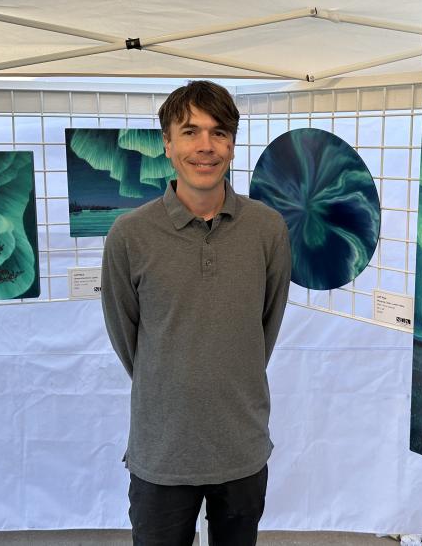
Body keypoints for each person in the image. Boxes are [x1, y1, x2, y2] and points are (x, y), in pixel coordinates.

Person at [101, 80, 292, 546]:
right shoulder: (129, 236)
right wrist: (172, 378)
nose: (205, 146)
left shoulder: (268, 229)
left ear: (232, 143)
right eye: (190, 132)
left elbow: (265, 328)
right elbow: (128, 340)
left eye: (219, 132)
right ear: (167, 143)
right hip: (162, 451)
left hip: (241, 446)